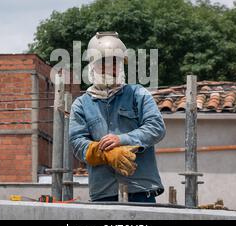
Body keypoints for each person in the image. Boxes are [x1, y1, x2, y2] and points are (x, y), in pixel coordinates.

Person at [69, 31, 166, 202]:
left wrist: (122, 140)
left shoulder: (138, 94)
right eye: (104, 62)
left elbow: (156, 127)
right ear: (93, 65)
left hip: (140, 190)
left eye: (116, 62)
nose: (111, 68)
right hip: (104, 193)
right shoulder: (81, 104)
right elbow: (77, 143)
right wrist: (104, 154)